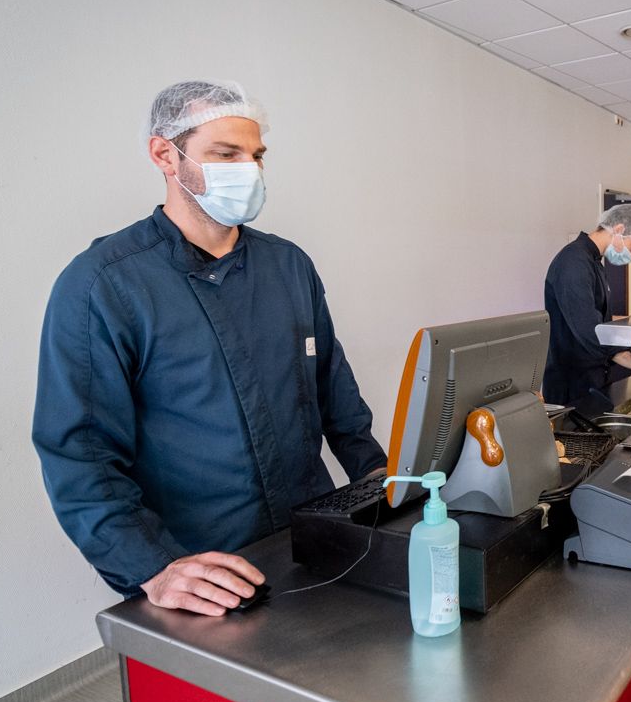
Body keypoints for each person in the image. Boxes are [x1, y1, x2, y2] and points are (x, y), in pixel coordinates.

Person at [33, 81, 387, 616]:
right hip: (203, 566)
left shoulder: (289, 266)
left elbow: (333, 390)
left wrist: (379, 478)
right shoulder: (104, 284)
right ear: (164, 155)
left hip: (311, 537)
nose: (249, 169)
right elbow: (80, 452)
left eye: (256, 155)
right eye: (226, 154)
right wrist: (152, 566)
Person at [543, 204, 631, 409]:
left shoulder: (593, 261)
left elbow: (601, 318)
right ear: (619, 230)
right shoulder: (573, 263)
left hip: (592, 377)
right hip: (571, 385)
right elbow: (592, 333)